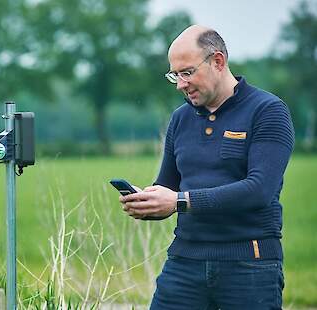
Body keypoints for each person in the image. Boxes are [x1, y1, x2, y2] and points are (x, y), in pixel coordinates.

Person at [119, 25, 294, 310]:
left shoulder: (267, 111)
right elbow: (168, 186)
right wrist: (148, 202)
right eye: (175, 75)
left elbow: (259, 190)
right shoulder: (180, 119)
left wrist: (178, 201)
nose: (180, 84)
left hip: (249, 265)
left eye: (187, 72)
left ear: (218, 62)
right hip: (184, 264)